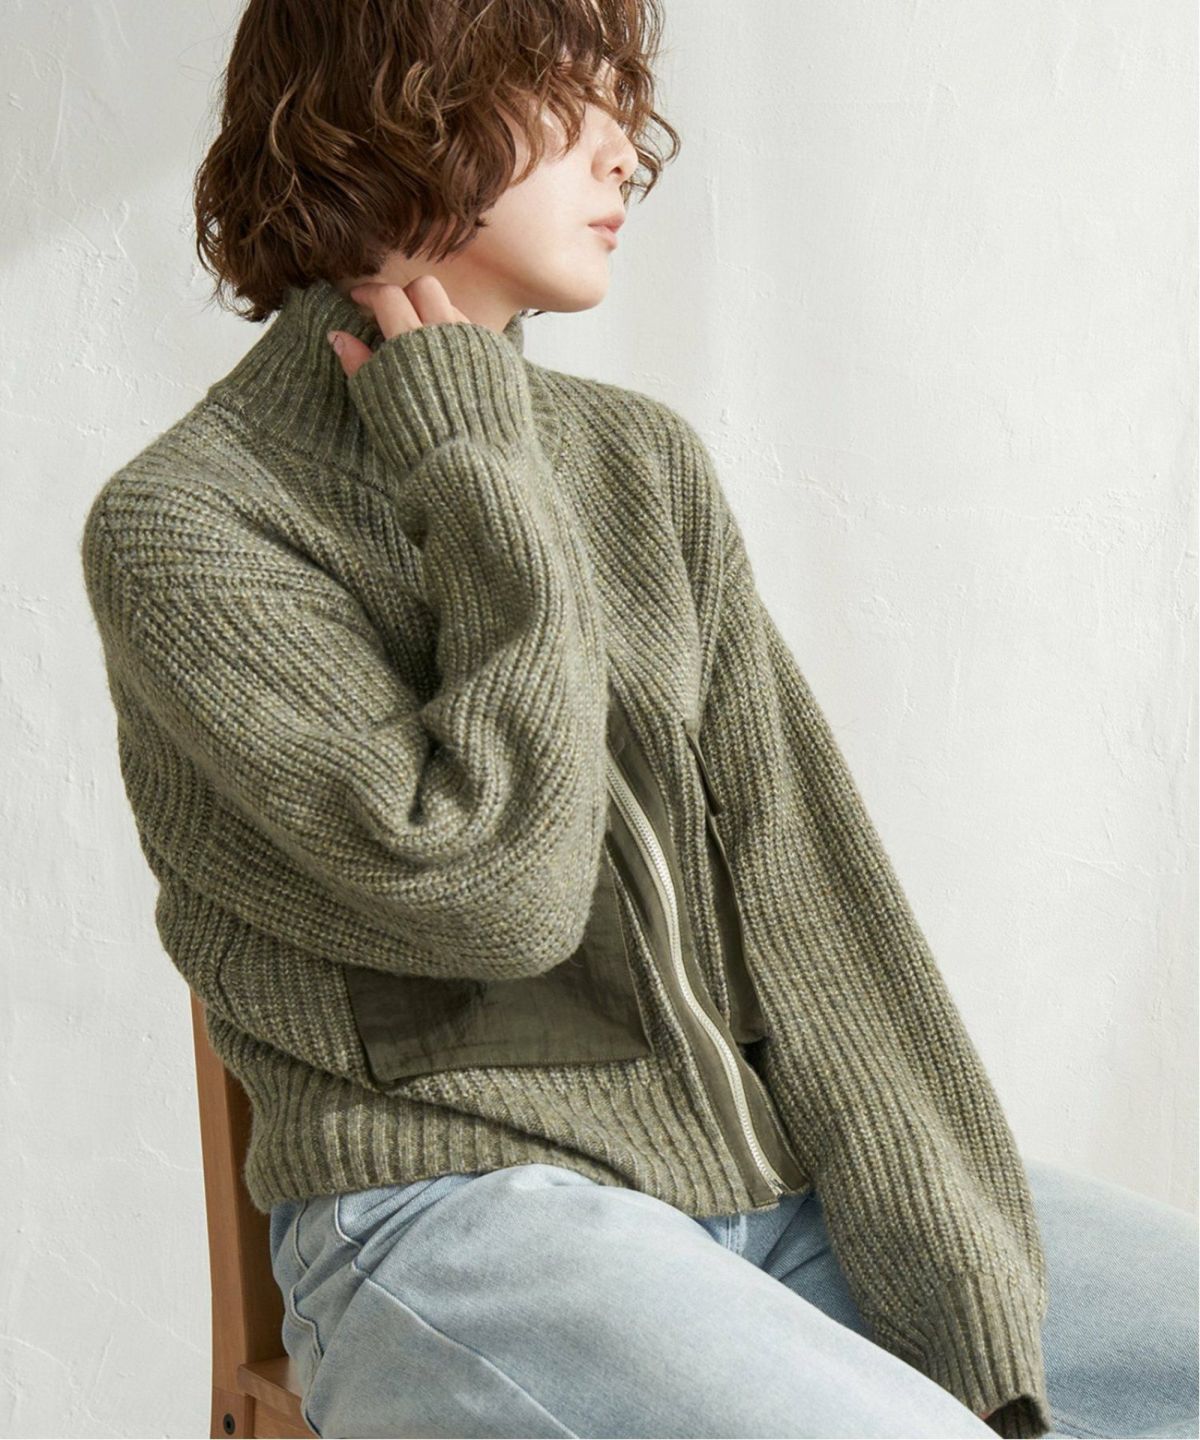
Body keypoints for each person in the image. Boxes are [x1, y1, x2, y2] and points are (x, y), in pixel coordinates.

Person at [80, 2, 1198, 1437]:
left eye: (628, 101)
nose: (628, 153)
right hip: (458, 1218)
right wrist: (482, 477)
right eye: (572, 93)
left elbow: (812, 904)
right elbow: (499, 899)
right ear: (399, 103)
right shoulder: (191, 525)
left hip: (776, 1193)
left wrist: (961, 1297)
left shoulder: (641, 466)